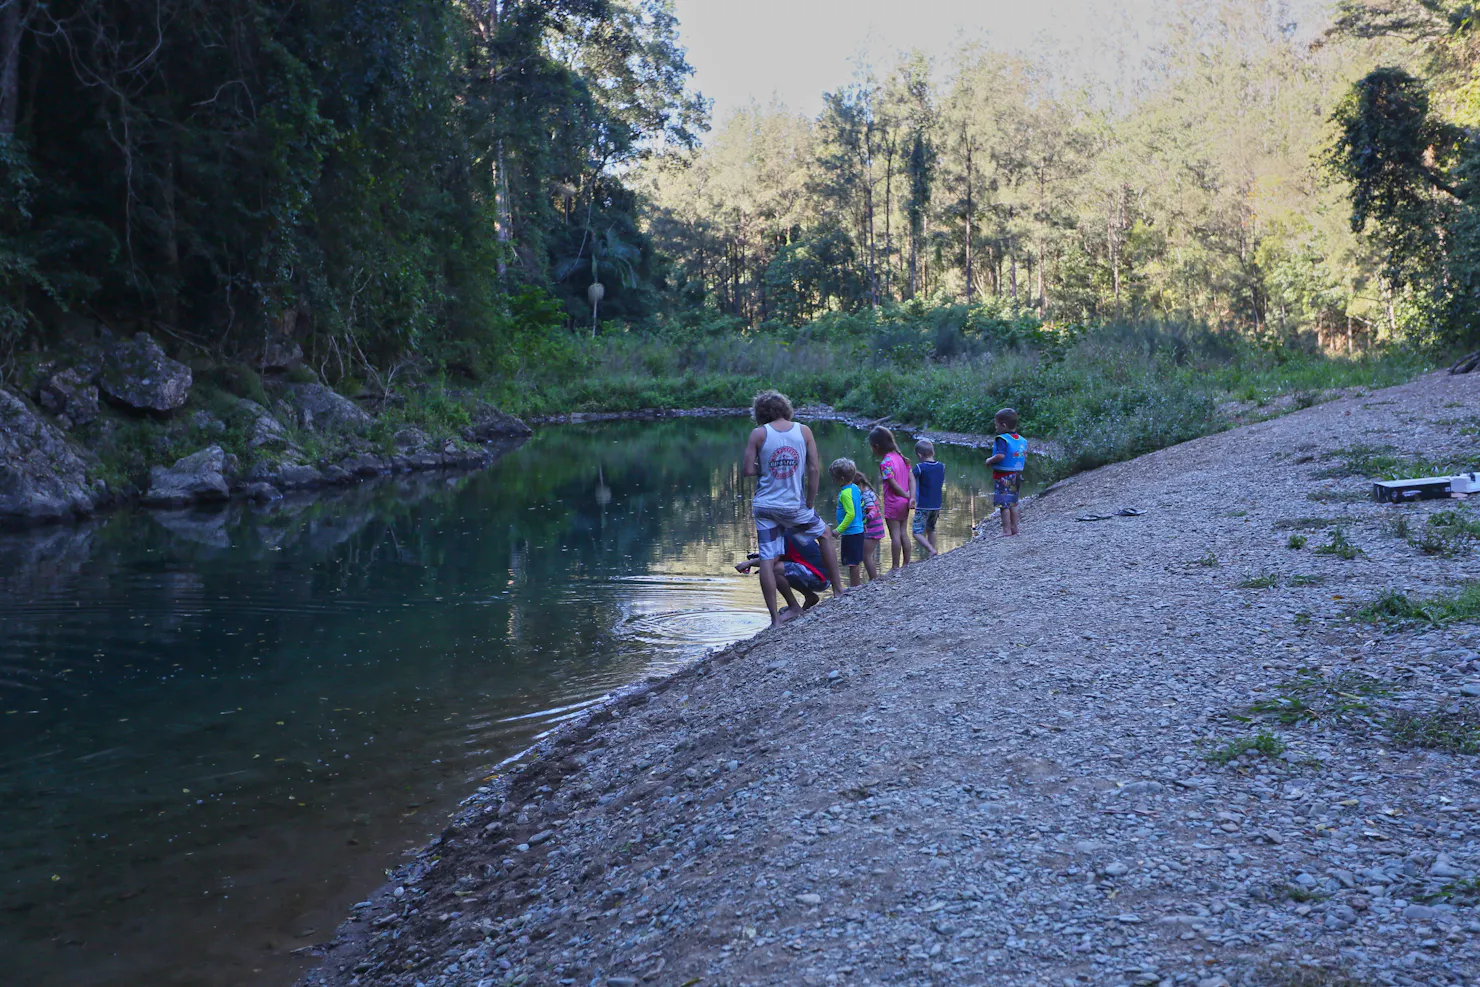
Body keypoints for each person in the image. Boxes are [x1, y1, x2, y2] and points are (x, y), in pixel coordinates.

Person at [741, 390, 844, 625]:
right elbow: (815, 469)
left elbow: (748, 469)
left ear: (760, 412)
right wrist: (809, 500)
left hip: (765, 505)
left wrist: (765, 467)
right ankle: (838, 590)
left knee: (768, 559)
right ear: (785, 408)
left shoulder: (758, 434)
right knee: (825, 535)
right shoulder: (803, 431)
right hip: (792, 505)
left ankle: (775, 620)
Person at [734, 534, 827, 614]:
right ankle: (810, 597)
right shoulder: (790, 530)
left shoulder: (783, 534)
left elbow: (772, 560)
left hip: (819, 579)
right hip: (821, 576)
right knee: (780, 569)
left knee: (775, 570)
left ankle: (794, 607)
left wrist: (749, 563)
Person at [868, 426, 912, 570]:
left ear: (877, 446)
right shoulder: (901, 458)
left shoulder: (885, 463)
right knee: (904, 532)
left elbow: (892, 484)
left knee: (895, 535)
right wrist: (911, 496)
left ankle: (894, 566)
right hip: (905, 501)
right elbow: (911, 478)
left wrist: (904, 495)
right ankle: (906, 563)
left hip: (894, 503)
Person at [985, 408, 1028, 537]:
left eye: (996, 425)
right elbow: (1024, 456)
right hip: (1017, 475)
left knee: (1004, 505)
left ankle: (1006, 530)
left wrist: (989, 460)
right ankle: (1015, 528)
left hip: (1004, 476)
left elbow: (1000, 456)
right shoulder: (1021, 440)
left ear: (1003, 425)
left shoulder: (1002, 439)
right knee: (1013, 503)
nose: (996, 428)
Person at [829, 458, 865, 587]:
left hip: (851, 533)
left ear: (842, 479)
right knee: (854, 562)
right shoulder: (855, 488)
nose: (833, 480)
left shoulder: (845, 494)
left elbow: (851, 513)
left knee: (852, 563)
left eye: (834, 478)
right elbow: (860, 505)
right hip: (857, 530)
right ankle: (856, 586)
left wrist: (838, 530)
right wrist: (863, 522)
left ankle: (855, 587)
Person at [909, 438, 945, 559]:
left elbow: (910, 478)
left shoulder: (920, 468)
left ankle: (931, 549)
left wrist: (910, 495)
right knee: (931, 528)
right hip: (937, 504)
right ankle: (932, 554)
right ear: (933, 453)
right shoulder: (941, 466)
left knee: (916, 532)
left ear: (919, 455)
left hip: (923, 505)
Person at [854, 469, 885, 582]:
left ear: (860, 484)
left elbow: (872, 510)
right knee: (866, 556)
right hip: (876, 529)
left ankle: (874, 579)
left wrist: (864, 519)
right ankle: (873, 578)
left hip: (873, 530)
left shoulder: (866, 495)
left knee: (866, 556)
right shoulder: (869, 492)